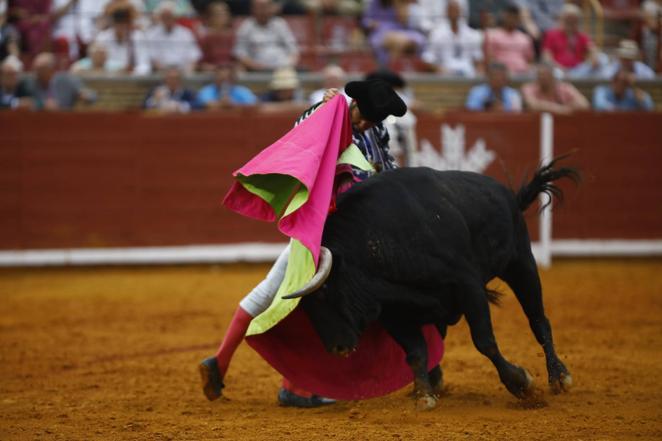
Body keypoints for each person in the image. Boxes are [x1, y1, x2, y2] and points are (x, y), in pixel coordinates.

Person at [199, 78, 407, 407]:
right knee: (312, 301)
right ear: (353, 105)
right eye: (363, 117)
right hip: (324, 230)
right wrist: (322, 111)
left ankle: (220, 362)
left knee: (275, 291)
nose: (365, 124)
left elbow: (388, 168)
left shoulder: (376, 131)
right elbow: (302, 141)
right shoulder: (325, 115)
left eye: (372, 121)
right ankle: (293, 388)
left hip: (345, 231)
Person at [421, 0, 483, 77]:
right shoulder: (437, 34)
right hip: (445, 75)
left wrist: (478, 73)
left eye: (456, 10)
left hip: (468, 75)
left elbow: (478, 58)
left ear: (461, 12)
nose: (454, 13)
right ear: (446, 12)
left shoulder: (472, 34)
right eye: (451, 10)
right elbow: (428, 59)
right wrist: (439, 69)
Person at [232, 0, 299, 71]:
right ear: (253, 10)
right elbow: (239, 53)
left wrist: (289, 65)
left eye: (266, 8)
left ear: (271, 8)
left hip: (282, 69)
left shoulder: (280, 23)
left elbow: (293, 49)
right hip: (257, 70)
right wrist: (253, 65)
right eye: (260, 8)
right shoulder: (246, 26)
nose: (263, 11)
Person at [542, 3, 602, 77]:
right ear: (562, 19)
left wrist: (594, 59)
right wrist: (560, 68)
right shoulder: (551, 34)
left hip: (578, 70)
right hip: (558, 71)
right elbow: (546, 57)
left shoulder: (582, 36)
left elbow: (592, 50)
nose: (571, 24)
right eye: (568, 20)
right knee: (554, 72)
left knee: (602, 58)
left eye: (574, 21)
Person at [361, 0, 426, 67]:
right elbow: (365, 22)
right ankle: (392, 68)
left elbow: (405, 23)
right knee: (397, 42)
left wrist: (399, 5)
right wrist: (373, 24)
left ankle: (412, 66)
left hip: (400, 31)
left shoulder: (401, 3)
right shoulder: (375, 3)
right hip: (380, 33)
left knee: (419, 39)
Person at [23, 52, 96, 110]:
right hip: (36, 121)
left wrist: (85, 94)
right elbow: (18, 102)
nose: (36, 73)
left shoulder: (66, 80)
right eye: (35, 69)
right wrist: (41, 105)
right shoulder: (28, 83)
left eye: (41, 69)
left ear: (51, 70)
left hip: (65, 121)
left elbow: (92, 96)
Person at [93, 3, 151, 75]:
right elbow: (97, 63)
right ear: (113, 23)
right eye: (118, 23)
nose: (121, 27)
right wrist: (118, 70)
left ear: (128, 24)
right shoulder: (102, 37)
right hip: (108, 79)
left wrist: (133, 72)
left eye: (124, 23)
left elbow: (144, 65)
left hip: (131, 80)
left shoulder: (137, 36)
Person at [146, 0, 201, 73]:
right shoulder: (152, 34)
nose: (167, 19)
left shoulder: (186, 33)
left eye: (169, 16)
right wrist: (166, 72)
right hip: (161, 73)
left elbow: (194, 56)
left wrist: (187, 73)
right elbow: (152, 58)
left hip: (183, 73)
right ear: (161, 17)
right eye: (165, 16)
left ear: (175, 17)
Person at [484, 4, 534, 75]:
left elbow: (530, 60)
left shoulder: (525, 38)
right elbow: (489, 59)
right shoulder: (492, 36)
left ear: (519, 19)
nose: (512, 20)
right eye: (510, 17)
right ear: (504, 17)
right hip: (500, 75)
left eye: (515, 17)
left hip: (521, 74)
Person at [521, 63, 589, 114]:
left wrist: (563, 109)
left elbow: (584, 104)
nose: (542, 78)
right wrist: (560, 109)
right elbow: (532, 105)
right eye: (540, 75)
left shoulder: (564, 88)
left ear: (552, 77)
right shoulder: (529, 88)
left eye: (545, 75)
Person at [197, 1, 235, 72]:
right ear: (210, 17)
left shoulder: (233, 36)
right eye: (218, 15)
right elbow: (199, 63)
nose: (223, 17)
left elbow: (238, 58)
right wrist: (216, 69)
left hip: (230, 73)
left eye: (225, 14)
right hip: (211, 75)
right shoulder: (205, 38)